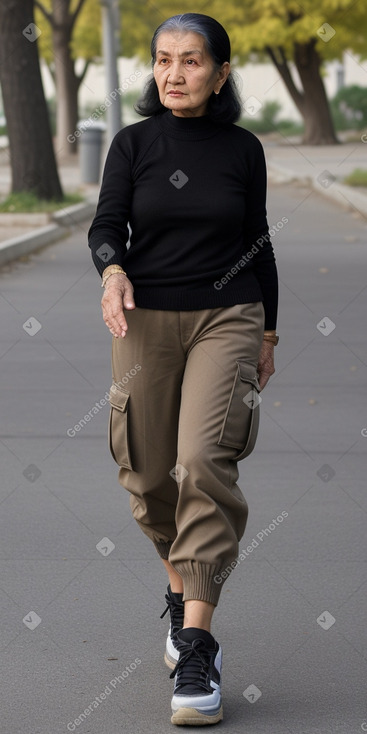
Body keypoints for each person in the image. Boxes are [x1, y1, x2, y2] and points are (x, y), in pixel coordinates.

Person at [88, 12, 279, 727]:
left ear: (220, 73)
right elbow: (108, 226)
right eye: (164, 60)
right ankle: (180, 589)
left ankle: (195, 642)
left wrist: (268, 330)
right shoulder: (133, 144)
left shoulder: (241, 149)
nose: (174, 73)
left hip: (226, 314)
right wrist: (111, 274)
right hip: (145, 317)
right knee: (144, 471)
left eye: (192, 61)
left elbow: (257, 240)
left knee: (202, 462)